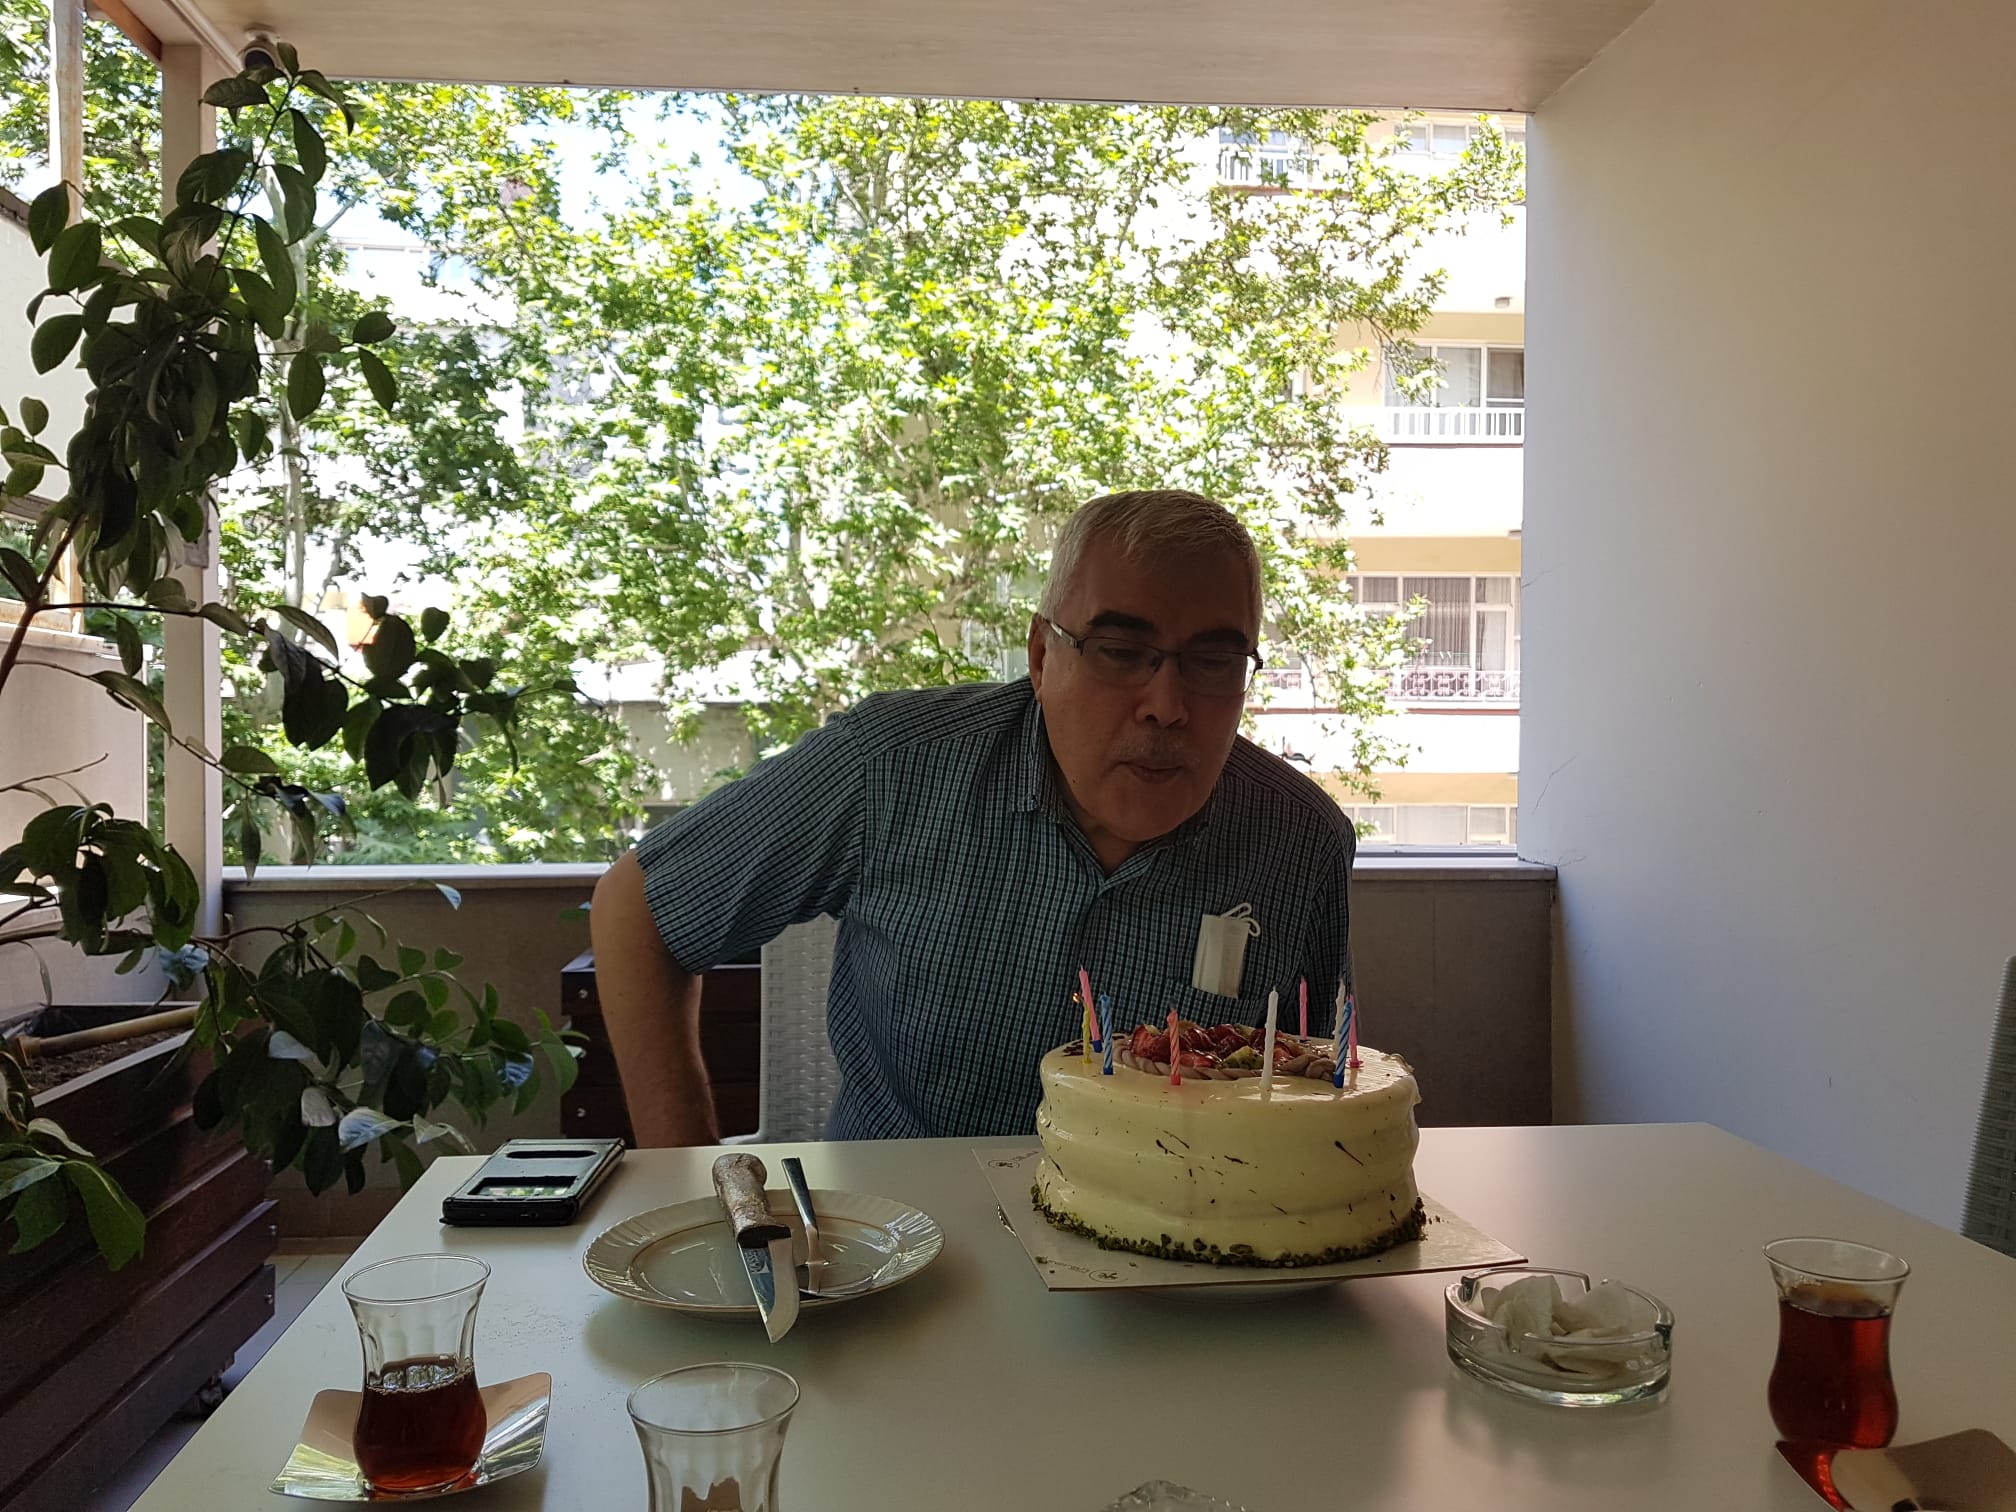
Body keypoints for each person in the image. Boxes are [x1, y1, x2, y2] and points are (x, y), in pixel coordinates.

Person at [590, 489, 1358, 1144]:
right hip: (901, 1235)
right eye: (1121, 651)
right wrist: (686, 1180)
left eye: (1213, 662)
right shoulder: (892, 766)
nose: (1167, 705)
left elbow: (1303, 1083)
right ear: (1041, 656)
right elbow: (639, 910)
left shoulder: (1300, 842)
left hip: (1172, 1241)